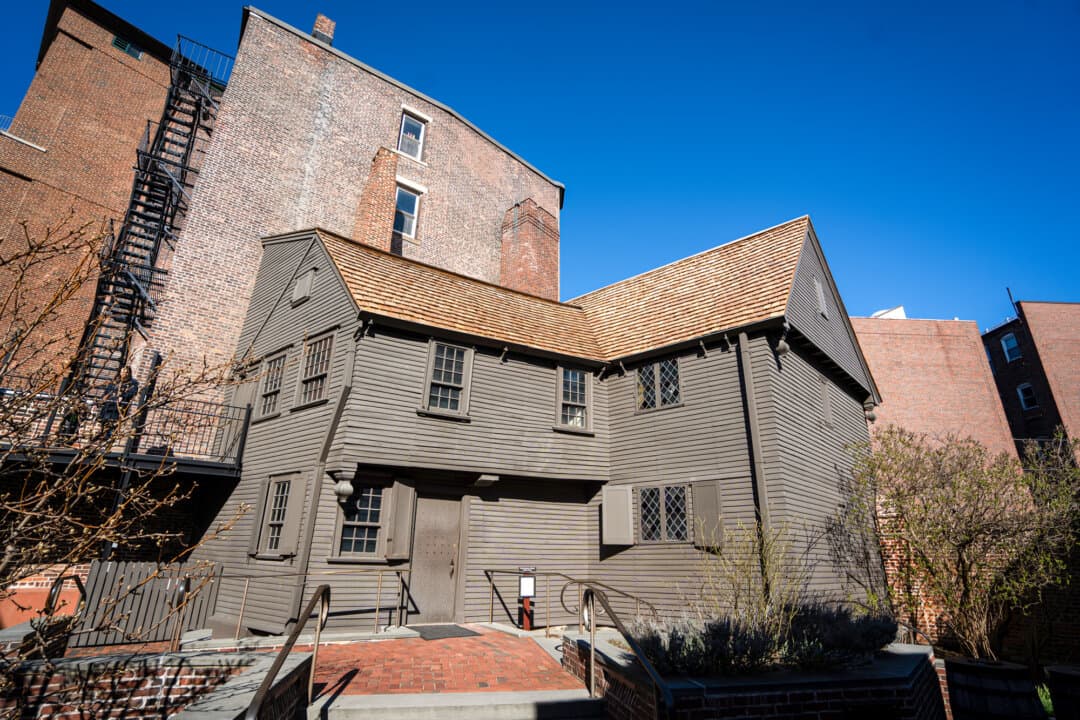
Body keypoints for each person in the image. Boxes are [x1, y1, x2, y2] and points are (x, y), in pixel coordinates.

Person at [97, 366, 139, 445]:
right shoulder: (115, 382)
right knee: (103, 426)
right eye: (122, 371)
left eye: (126, 372)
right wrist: (102, 399)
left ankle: (107, 444)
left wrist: (122, 396)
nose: (124, 374)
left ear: (129, 373)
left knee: (112, 428)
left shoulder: (132, 384)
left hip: (118, 409)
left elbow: (132, 393)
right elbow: (107, 392)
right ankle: (101, 443)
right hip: (107, 407)